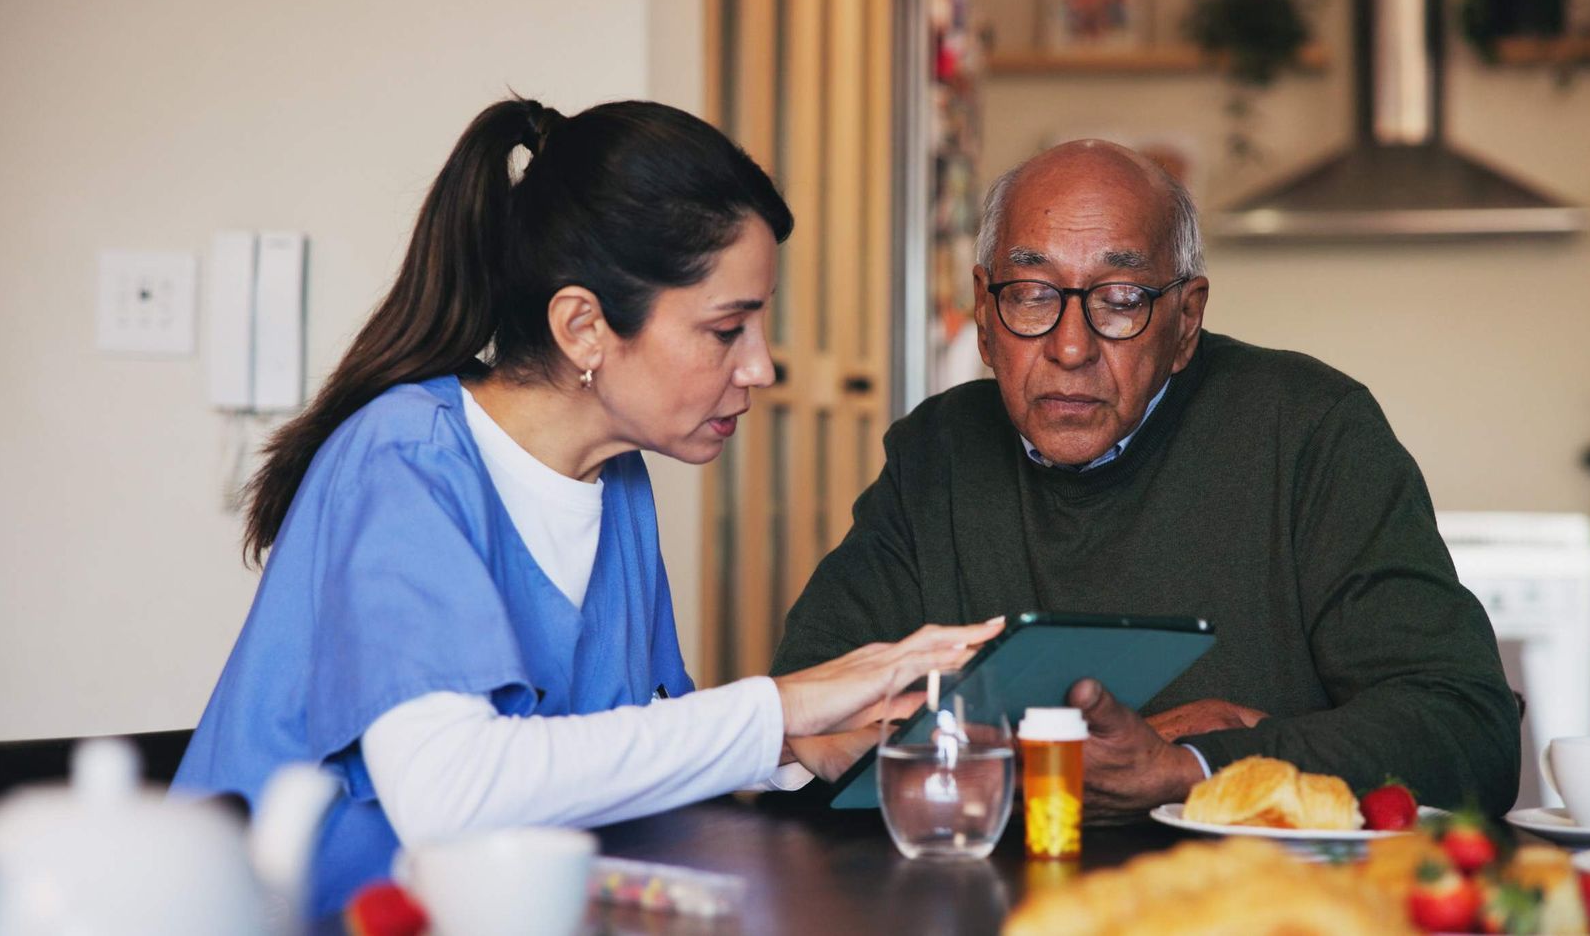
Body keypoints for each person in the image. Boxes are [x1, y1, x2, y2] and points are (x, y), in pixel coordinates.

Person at [172, 98, 1001, 917]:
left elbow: (615, 739)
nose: (761, 369)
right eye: (726, 330)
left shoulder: (614, 481)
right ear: (583, 327)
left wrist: (797, 746)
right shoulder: (406, 459)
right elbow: (448, 790)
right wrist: (780, 706)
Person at [773, 140, 1520, 820]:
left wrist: (1191, 766)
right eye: (1032, 294)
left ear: (1186, 320)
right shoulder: (935, 452)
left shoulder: (1311, 429)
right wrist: (1073, 758)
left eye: (1121, 300)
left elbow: (1466, 731)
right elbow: (808, 722)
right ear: (983, 313)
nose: (1070, 346)